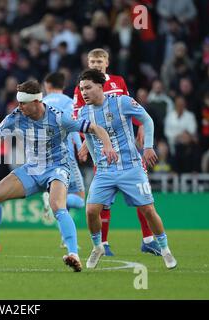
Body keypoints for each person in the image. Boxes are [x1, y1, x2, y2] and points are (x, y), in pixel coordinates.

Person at [0, 79, 117, 272]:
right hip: (31, 169)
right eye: (19, 102)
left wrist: (107, 145)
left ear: (36, 102)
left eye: (23, 102)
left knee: (57, 205)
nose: (19, 106)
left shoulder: (59, 117)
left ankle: (73, 253)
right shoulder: (16, 117)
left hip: (57, 168)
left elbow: (94, 128)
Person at [77, 69, 177, 270]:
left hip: (131, 167)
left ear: (100, 86)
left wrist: (148, 146)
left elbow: (147, 120)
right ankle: (97, 247)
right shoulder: (83, 112)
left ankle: (165, 249)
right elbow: (88, 134)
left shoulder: (121, 101)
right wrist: (96, 160)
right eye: (81, 89)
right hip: (105, 171)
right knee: (90, 211)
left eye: (87, 88)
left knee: (148, 210)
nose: (84, 93)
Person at [74, 48, 160, 256]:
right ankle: (103, 243)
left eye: (98, 61)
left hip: (127, 148)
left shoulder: (118, 82)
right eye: (92, 61)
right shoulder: (82, 88)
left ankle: (148, 239)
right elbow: (81, 118)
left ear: (107, 62)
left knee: (143, 196)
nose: (95, 64)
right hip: (103, 151)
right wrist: (87, 141)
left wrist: (140, 125)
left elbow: (132, 107)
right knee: (101, 200)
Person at [41, 72, 85, 249]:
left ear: (48, 85)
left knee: (60, 203)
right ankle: (50, 199)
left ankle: (65, 240)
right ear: (62, 85)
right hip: (65, 156)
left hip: (45, 158)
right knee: (80, 200)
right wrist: (80, 146)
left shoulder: (41, 104)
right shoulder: (68, 102)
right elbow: (72, 126)